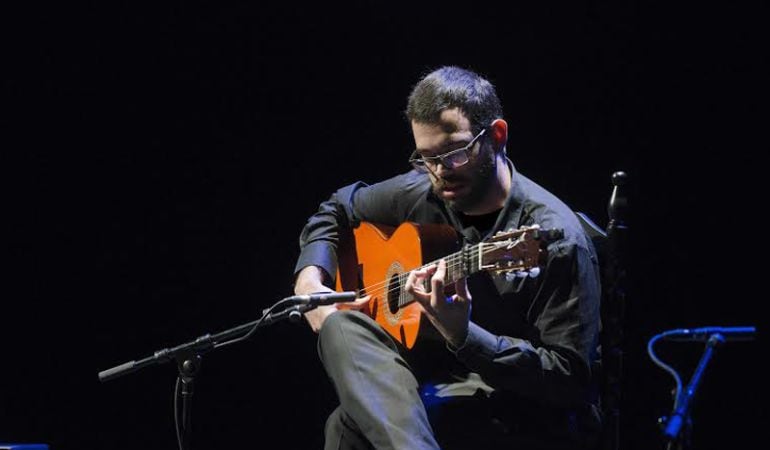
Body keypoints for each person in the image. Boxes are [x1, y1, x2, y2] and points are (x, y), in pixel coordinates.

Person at [292, 66, 602, 450]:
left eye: (455, 153)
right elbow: (336, 209)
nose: (440, 172)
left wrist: (464, 335)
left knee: (347, 426)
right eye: (427, 158)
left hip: (516, 409)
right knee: (340, 325)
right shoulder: (424, 189)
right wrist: (310, 278)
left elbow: (571, 381)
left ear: (497, 136)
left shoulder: (554, 239)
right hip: (430, 377)